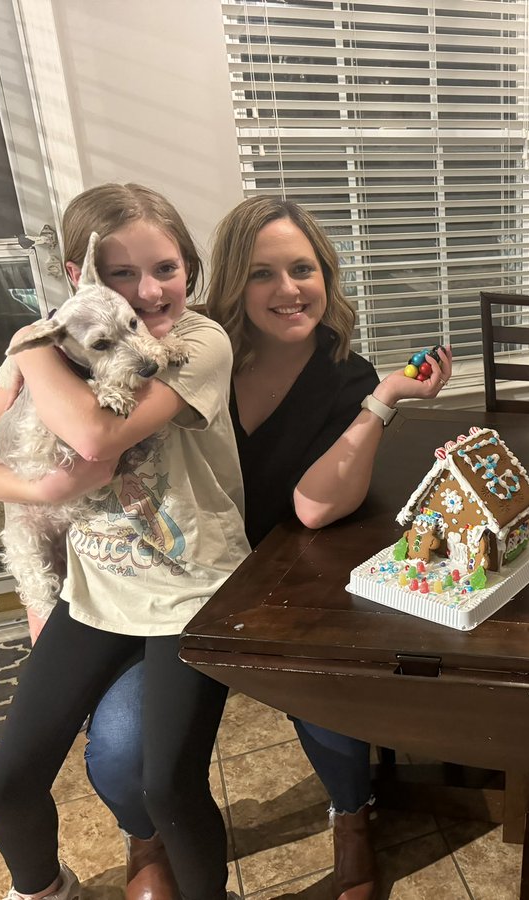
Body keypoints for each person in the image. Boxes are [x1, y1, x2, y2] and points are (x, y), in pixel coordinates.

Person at [79, 196, 452, 900]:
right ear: (230, 283)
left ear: (326, 275)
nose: (287, 290)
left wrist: (386, 396)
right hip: (172, 584)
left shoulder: (344, 373)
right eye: (261, 274)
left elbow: (314, 506)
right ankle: (146, 833)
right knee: (124, 752)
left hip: (278, 585)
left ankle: (352, 814)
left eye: (302, 269)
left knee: (335, 716)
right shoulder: (184, 352)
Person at [0, 183, 251, 900]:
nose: (150, 292)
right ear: (81, 276)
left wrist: (32, 352)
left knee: (168, 786)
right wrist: (43, 492)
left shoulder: (199, 340)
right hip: (91, 591)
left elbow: (93, 437)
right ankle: (44, 892)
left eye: (167, 268)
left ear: (189, 269)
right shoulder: (45, 347)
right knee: (7, 784)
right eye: (123, 273)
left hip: (192, 589)